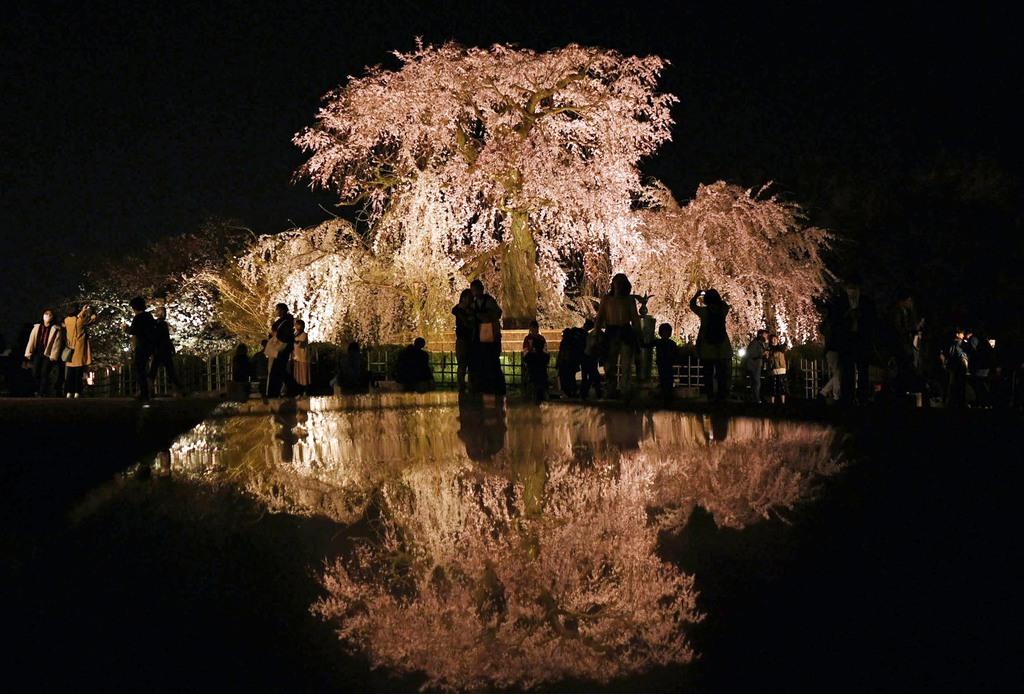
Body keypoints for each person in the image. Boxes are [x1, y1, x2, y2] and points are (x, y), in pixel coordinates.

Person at [831, 275, 876, 404]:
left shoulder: (866, 303)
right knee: (847, 370)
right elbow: (835, 322)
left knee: (863, 370)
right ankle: (848, 397)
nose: (852, 291)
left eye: (855, 288)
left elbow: (872, 322)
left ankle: (863, 397)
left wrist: (861, 317)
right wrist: (847, 316)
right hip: (847, 340)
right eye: (850, 288)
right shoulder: (840, 303)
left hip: (862, 339)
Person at [595, 273, 640, 398]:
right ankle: (611, 388)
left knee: (626, 365)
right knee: (609, 364)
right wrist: (596, 332)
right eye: (617, 282)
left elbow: (635, 319)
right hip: (611, 331)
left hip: (625, 331)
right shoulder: (607, 299)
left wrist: (638, 333)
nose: (618, 286)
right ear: (613, 284)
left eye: (621, 283)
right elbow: (599, 317)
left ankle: (625, 389)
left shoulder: (629, 300)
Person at [689, 288, 732, 401]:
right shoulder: (723, 310)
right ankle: (721, 396)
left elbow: (692, 306)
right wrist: (719, 300)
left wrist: (697, 295)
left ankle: (710, 396)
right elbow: (726, 305)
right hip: (722, 347)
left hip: (706, 347)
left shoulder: (704, 312)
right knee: (721, 374)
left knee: (707, 374)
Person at [469, 279, 505, 395]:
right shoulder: (474, 304)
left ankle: (496, 386)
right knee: (483, 362)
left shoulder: (489, 301)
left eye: (475, 290)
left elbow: (497, 313)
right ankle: (484, 385)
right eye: (472, 291)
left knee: (493, 361)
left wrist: (484, 316)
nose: (474, 293)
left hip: (491, 336)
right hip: (480, 337)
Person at [23, 308, 62, 396]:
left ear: (52, 317)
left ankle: (42, 392)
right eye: (46, 314)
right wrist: (28, 353)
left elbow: (57, 344)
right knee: (35, 372)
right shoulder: (37, 327)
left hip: (48, 354)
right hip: (38, 352)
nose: (47, 316)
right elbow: (31, 340)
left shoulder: (56, 329)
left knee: (44, 372)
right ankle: (38, 389)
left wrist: (53, 355)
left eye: (50, 314)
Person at [63, 304, 96, 399]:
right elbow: (89, 319)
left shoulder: (67, 320)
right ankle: (77, 392)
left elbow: (80, 317)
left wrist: (82, 311)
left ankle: (69, 391)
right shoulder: (80, 321)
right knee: (78, 373)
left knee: (70, 373)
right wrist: (88, 312)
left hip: (70, 349)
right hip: (79, 349)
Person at [149, 306, 183, 396]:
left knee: (155, 370)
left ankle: (148, 389)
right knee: (168, 370)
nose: (155, 312)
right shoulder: (160, 324)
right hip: (164, 350)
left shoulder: (160, 324)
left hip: (161, 350)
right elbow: (166, 338)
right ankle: (179, 389)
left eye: (157, 311)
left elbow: (159, 337)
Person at [128, 296, 157, 401]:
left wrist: (126, 329)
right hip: (150, 346)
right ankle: (147, 391)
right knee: (145, 368)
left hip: (141, 346)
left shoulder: (138, 317)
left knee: (139, 369)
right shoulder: (149, 316)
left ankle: (144, 392)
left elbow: (133, 331)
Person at [265, 302, 295, 397]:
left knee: (278, 369)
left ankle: (276, 391)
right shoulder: (284, 321)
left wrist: (275, 335)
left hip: (281, 348)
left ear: (282, 310)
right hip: (280, 348)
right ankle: (290, 388)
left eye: (277, 309)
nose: (276, 311)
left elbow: (285, 336)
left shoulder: (286, 322)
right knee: (280, 370)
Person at [452, 289, 476, 393]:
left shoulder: (472, 309)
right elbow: (455, 311)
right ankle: (461, 386)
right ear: (464, 298)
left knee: (471, 365)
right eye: (469, 297)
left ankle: (470, 385)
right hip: (462, 339)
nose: (470, 299)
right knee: (462, 364)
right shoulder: (459, 309)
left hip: (471, 340)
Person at [556, 324, 586, 397]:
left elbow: (562, 353)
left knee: (568, 378)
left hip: (567, 362)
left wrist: (558, 362)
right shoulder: (571, 342)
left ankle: (570, 392)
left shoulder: (567, 342)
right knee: (570, 378)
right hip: (569, 362)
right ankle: (571, 392)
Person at [942, 328, 969, 408]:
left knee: (952, 385)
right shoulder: (959, 343)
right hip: (959, 368)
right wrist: (966, 367)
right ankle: (960, 403)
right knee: (960, 385)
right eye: (962, 333)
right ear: (957, 334)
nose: (963, 335)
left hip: (952, 367)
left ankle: (950, 403)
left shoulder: (950, 343)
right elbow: (962, 356)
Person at [654, 323, 679, 402]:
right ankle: (668, 395)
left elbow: (647, 345)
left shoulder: (658, 342)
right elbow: (676, 354)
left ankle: (665, 394)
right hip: (668, 363)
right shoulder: (672, 343)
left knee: (664, 379)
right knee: (668, 379)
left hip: (662, 363)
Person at [579, 319, 603, 399]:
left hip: (586, 356)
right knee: (594, 376)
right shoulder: (596, 334)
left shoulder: (590, 333)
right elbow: (593, 346)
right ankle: (596, 393)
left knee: (587, 376)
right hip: (590, 357)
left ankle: (584, 393)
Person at [743, 330, 768, 404]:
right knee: (756, 382)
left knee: (756, 382)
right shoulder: (755, 342)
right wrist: (762, 354)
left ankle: (756, 398)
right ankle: (756, 399)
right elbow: (751, 353)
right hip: (753, 365)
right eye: (765, 335)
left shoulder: (761, 343)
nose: (766, 337)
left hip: (757, 365)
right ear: (760, 335)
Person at [523, 334, 550, 402]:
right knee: (542, 395)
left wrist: (530, 349)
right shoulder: (545, 356)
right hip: (543, 378)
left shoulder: (531, 356)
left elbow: (525, 358)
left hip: (534, 378)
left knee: (535, 395)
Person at [291, 318, 310, 395]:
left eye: (297, 325)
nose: (295, 326)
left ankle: (304, 390)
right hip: (295, 357)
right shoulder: (295, 334)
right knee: (297, 375)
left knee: (303, 374)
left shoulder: (304, 334)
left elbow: (300, 344)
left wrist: (293, 340)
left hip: (302, 357)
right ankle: (298, 389)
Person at [768, 334, 789, 404]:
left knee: (782, 386)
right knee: (773, 387)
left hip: (781, 369)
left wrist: (786, 338)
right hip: (773, 370)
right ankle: (772, 402)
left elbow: (784, 347)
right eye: (773, 339)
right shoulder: (769, 349)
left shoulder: (780, 348)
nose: (774, 340)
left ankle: (783, 402)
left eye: (775, 339)